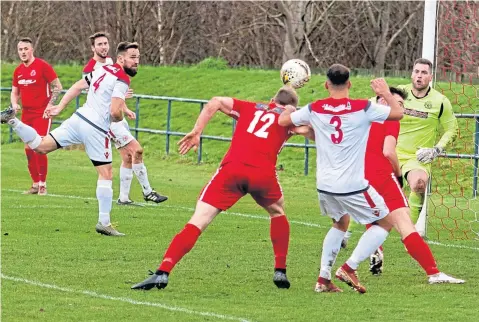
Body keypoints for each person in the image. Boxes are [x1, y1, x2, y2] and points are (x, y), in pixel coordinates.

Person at [131, 86, 312, 290]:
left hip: (232, 170)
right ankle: (280, 270)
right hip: (263, 174)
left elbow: (215, 101)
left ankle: (163, 272)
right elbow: (309, 132)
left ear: (271, 99)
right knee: (277, 211)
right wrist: (301, 117)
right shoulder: (289, 118)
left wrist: (196, 131)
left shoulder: (250, 107)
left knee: (199, 220)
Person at [278, 64, 405, 293]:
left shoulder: (315, 108)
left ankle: (323, 279)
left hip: (324, 185)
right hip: (352, 185)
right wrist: (385, 92)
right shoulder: (363, 107)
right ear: (349, 84)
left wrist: (288, 105)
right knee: (386, 222)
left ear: (326, 85)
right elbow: (398, 114)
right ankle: (349, 267)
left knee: (340, 222)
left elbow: (284, 122)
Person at [1, 41, 140, 237]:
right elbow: (115, 112)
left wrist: (60, 107)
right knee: (106, 173)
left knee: (41, 146)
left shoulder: (103, 69)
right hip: (96, 128)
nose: (136, 62)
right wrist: (118, 120)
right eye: (133, 57)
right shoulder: (122, 78)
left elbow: (78, 85)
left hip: (78, 118)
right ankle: (104, 222)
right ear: (121, 58)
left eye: (138, 58)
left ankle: (13, 121)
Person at [345, 88, 464, 285]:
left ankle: (334, 272)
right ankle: (433, 273)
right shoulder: (390, 120)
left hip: (358, 177)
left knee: (381, 223)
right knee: (404, 224)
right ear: (384, 101)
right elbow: (389, 151)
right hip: (382, 176)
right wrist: (398, 176)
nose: (401, 109)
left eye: (402, 105)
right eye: (397, 104)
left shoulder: (362, 118)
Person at [83, 32, 167, 205]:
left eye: (106, 43)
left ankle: (124, 198)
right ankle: (148, 191)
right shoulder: (91, 69)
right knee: (137, 150)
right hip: (107, 119)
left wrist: (125, 108)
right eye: (100, 44)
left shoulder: (110, 65)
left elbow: (114, 95)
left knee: (128, 157)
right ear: (93, 48)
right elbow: (98, 96)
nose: (104, 47)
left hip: (116, 116)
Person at [397, 58, 458, 227]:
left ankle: (409, 233)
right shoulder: (399, 93)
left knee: (419, 184)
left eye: (424, 73)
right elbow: (373, 105)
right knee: (372, 192)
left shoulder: (440, 102)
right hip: (392, 152)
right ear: (411, 74)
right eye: (416, 72)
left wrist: (436, 150)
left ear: (431, 77)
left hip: (418, 157)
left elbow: (452, 129)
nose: (419, 76)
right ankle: (347, 234)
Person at [10, 37, 63, 195]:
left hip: (42, 113)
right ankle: (34, 183)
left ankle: (43, 185)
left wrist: (50, 105)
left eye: (26, 49)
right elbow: (14, 92)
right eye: (20, 50)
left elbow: (57, 87)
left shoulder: (42, 66)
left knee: (39, 147)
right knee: (28, 148)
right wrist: (14, 104)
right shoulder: (18, 71)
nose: (23, 52)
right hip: (26, 114)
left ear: (31, 50)